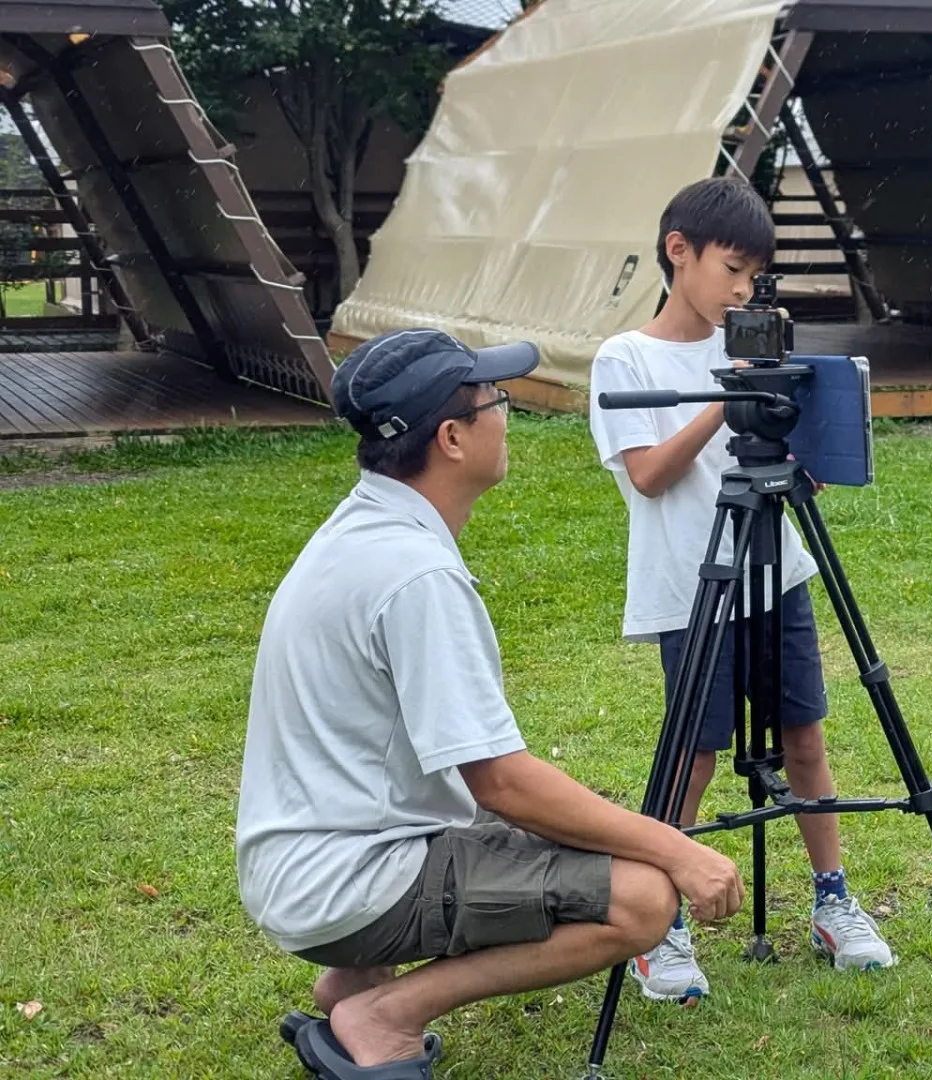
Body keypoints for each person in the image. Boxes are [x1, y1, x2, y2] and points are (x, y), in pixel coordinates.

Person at [236, 329, 743, 1075]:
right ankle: (385, 1015)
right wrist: (675, 847)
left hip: (304, 857)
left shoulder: (363, 527)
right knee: (642, 895)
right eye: (496, 401)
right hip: (347, 880)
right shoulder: (416, 577)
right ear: (451, 437)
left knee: (597, 835)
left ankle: (353, 979)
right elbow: (500, 783)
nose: (508, 416)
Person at [588, 177, 895, 1003]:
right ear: (676, 250)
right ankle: (663, 921)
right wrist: (729, 397)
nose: (741, 291)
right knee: (694, 754)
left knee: (805, 735)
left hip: (776, 569)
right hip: (692, 588)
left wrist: (809, 446)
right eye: (731, 268)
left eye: (755, 277)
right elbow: (649, 476)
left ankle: (833, 901)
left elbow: (786, 458)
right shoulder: (628, 358)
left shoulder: (757, 344)